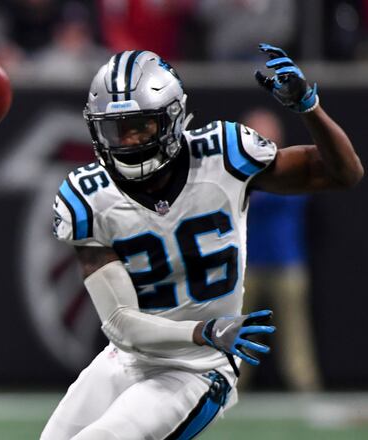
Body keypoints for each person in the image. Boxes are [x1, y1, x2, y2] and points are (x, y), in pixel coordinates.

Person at [42, 45, 362, 439]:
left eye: (140, 126)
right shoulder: (89, 196)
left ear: (172, 118)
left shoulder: (224, 155)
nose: (126, 141)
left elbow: (344, 173)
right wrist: (205, 329)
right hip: (127, 357)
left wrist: (309, 108)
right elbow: (121, 324)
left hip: (197, 369)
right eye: (114, 129)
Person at [241, 108, 321, 392]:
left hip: (286, 262)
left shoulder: (291, 165)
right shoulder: (236, 170)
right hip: (247, 266)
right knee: (238, 333)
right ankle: (228, 389)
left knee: (295, 335)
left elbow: (282, 200)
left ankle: (305, 389)